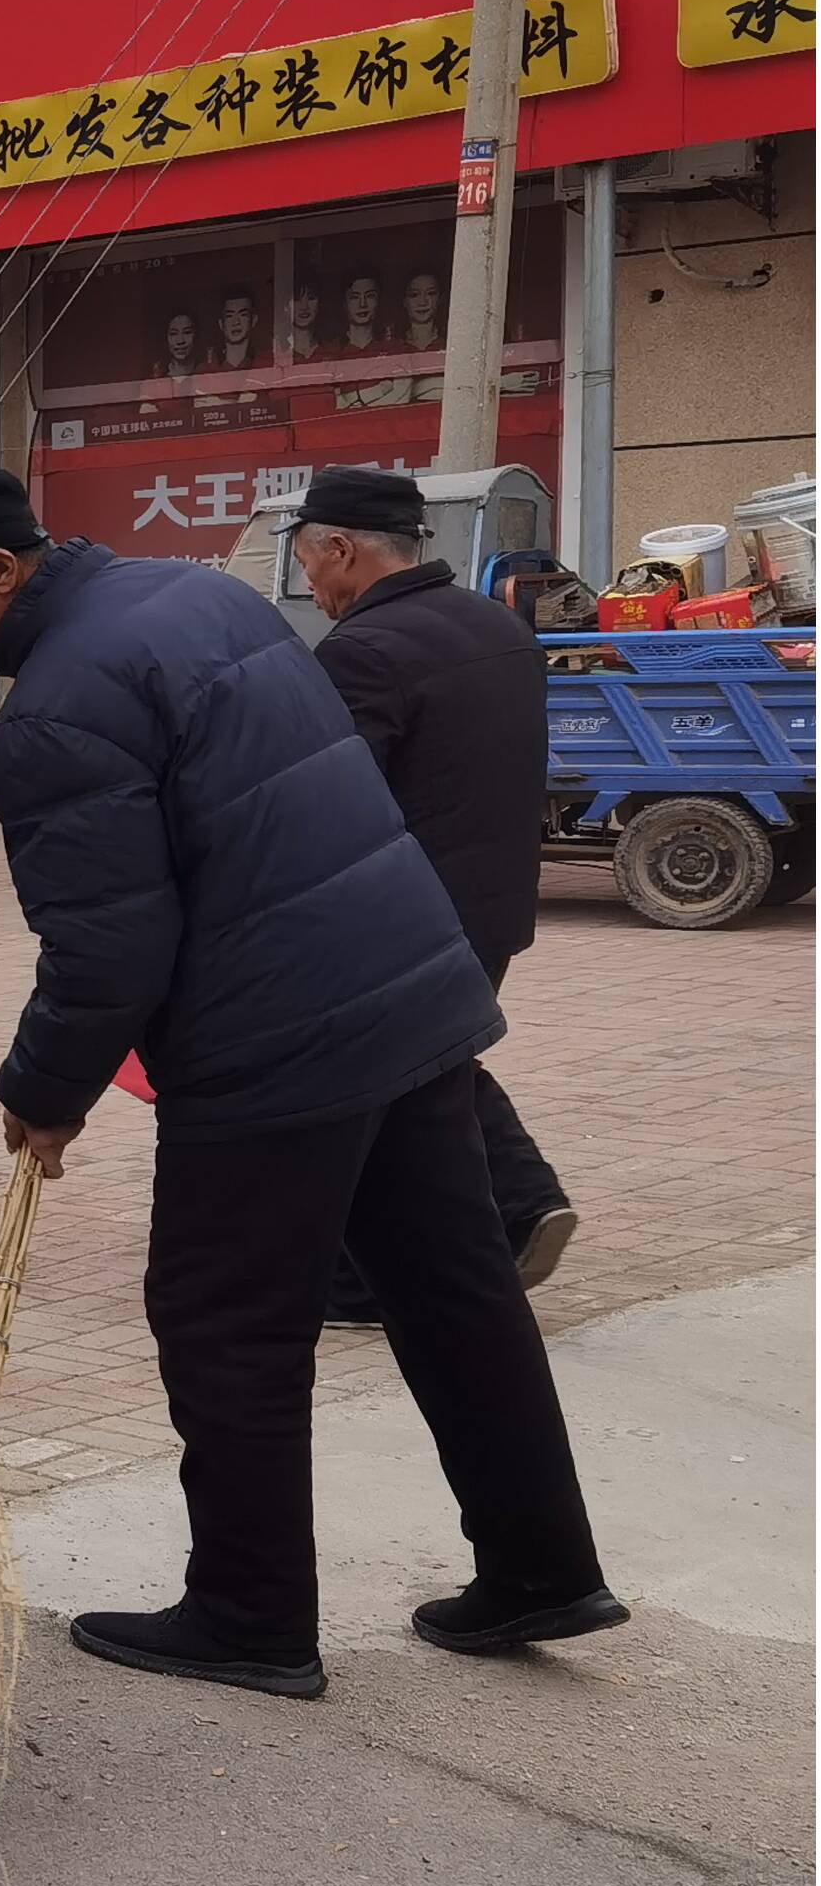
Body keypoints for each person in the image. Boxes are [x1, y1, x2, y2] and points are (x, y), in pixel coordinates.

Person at [0, 465, 618, 1699]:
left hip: (277, 1040)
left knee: (225, 1326)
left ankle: (250, 1614)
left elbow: (108, 943)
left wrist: (45, 1089)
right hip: (405, 987)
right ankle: (543, 1569)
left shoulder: (53, 711)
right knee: (454, 1291)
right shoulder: (194, 599)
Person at [291, 467, 578, 1284]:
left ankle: (390, 1267)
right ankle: (520, 1205)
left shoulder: (363, 650)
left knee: (368, 1088)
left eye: (308, 564)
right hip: (489, 910)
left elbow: (333, 802)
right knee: (427, 1069)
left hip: (398, 921)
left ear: (341, 549)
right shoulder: (495, 626)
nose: (308, 586)